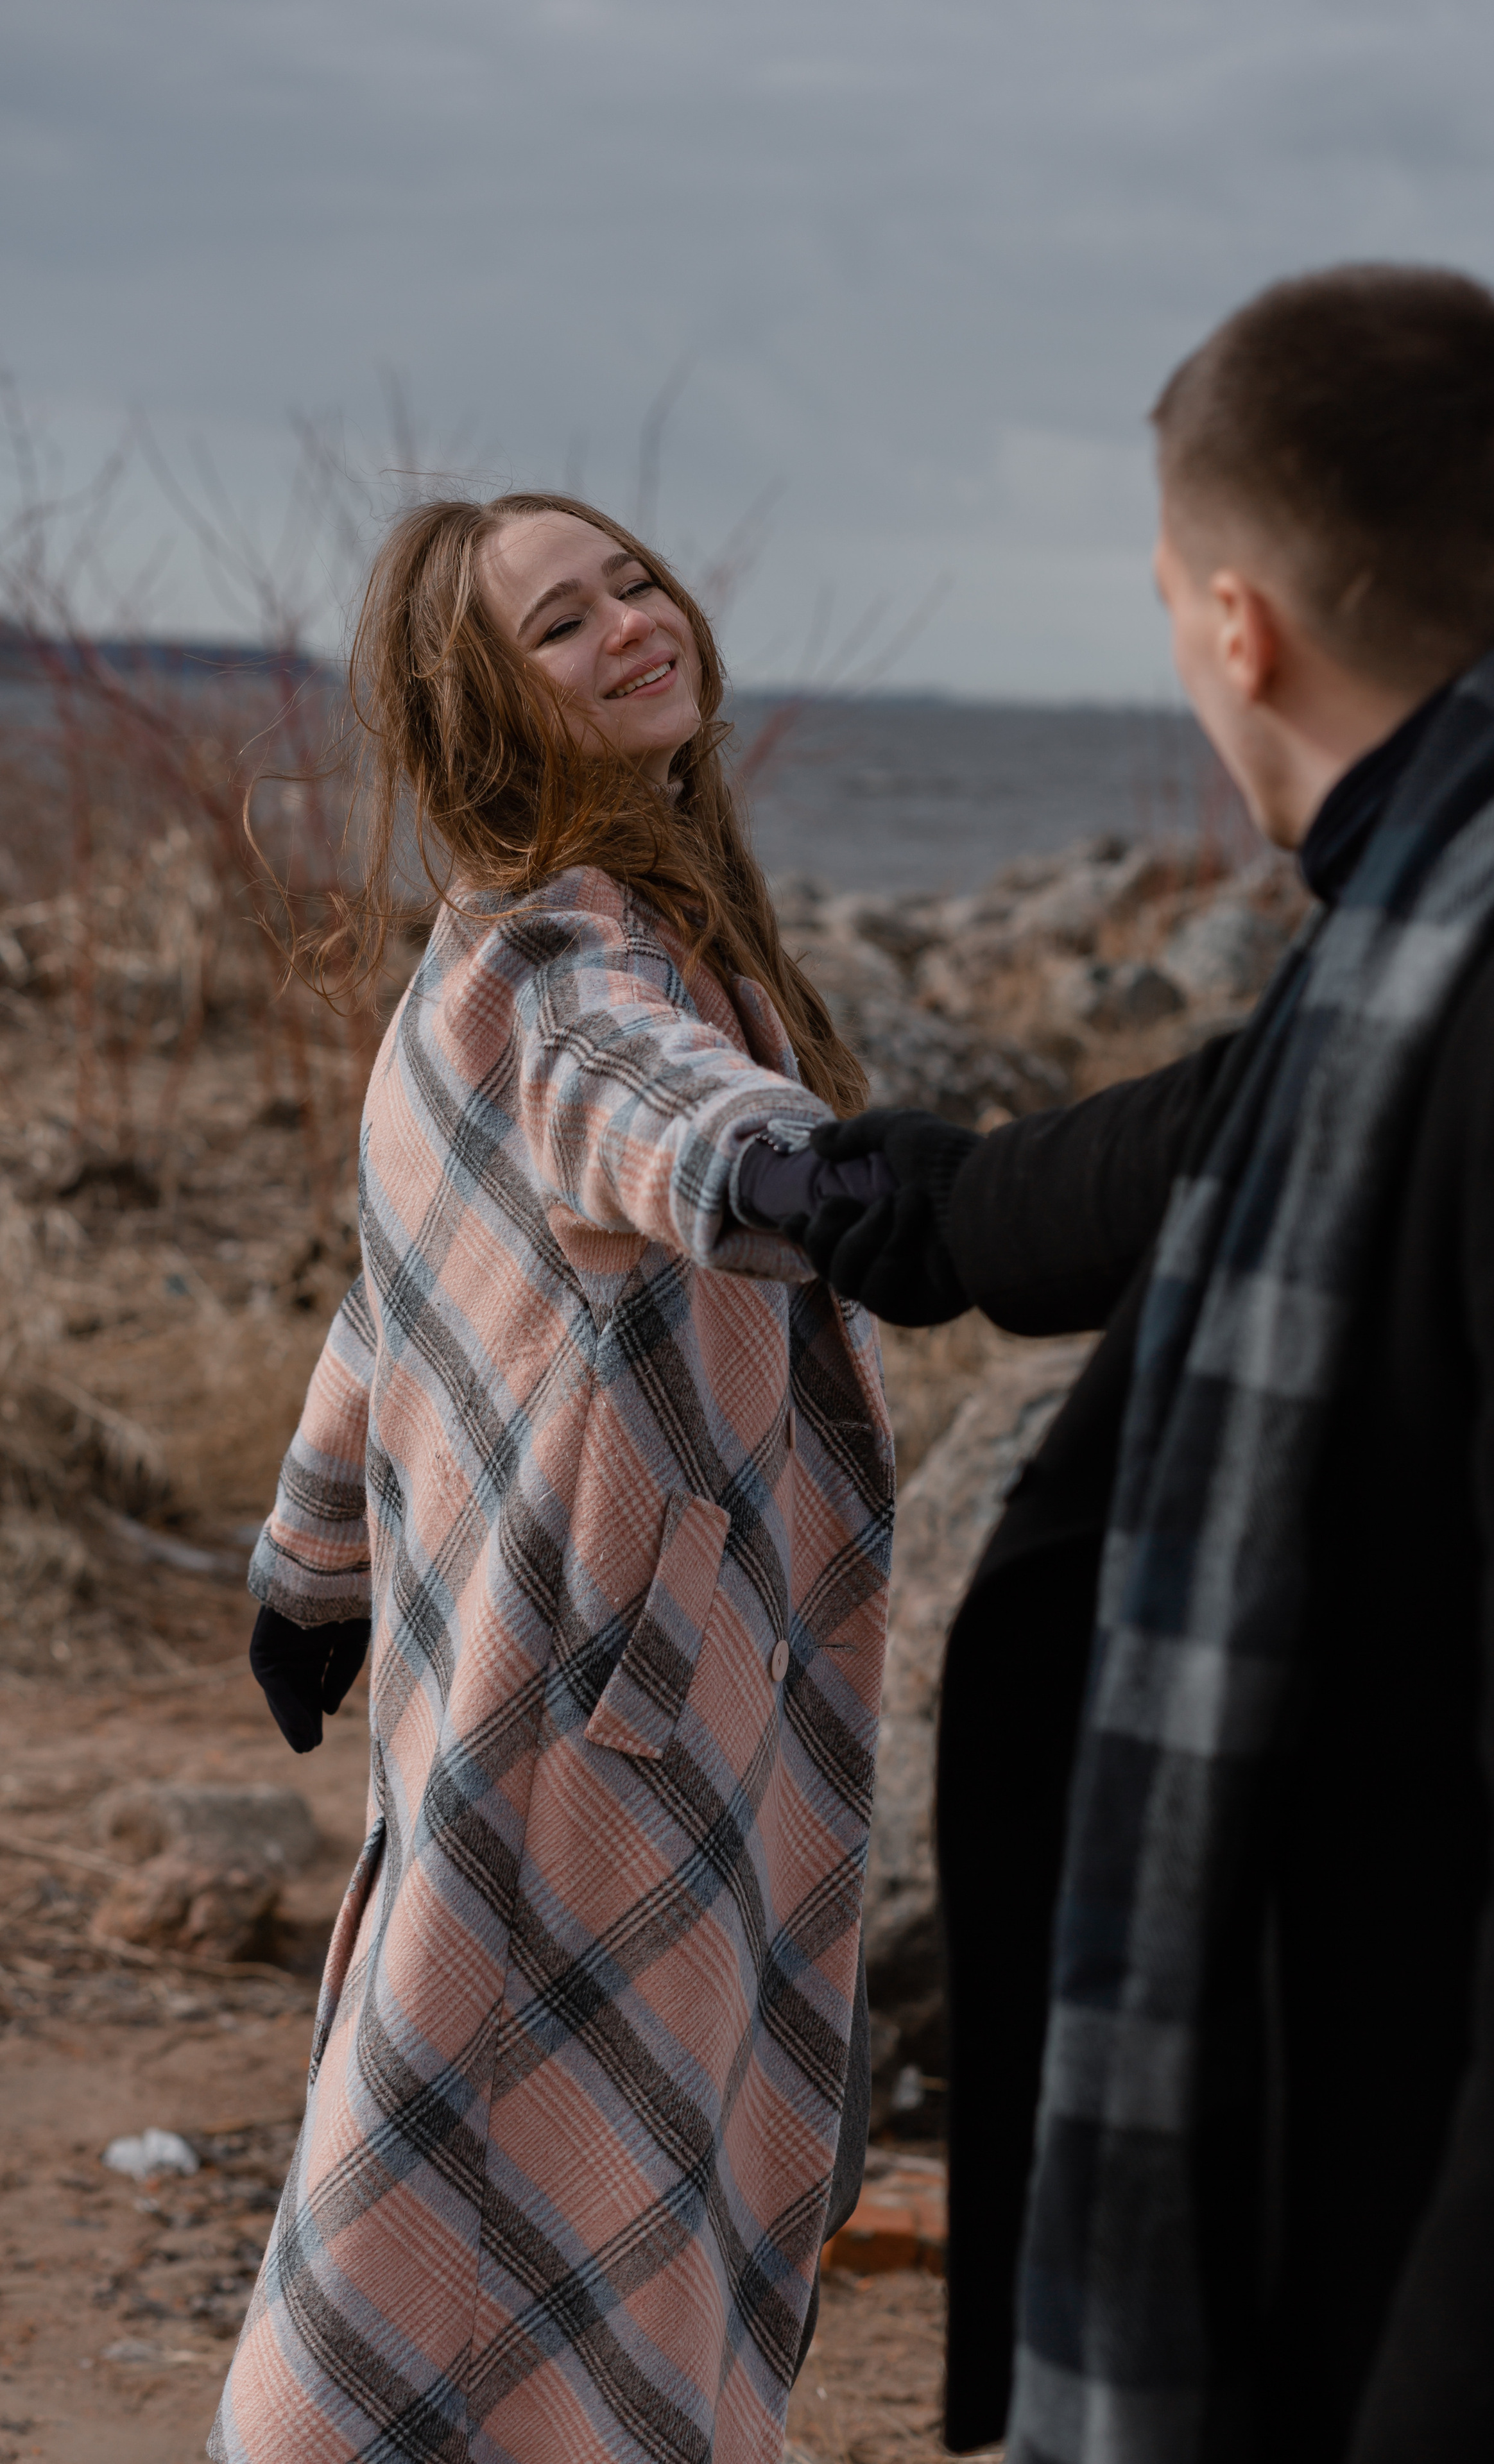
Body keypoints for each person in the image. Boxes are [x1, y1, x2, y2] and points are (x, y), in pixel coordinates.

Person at [797, 267, 1494, 2460]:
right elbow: (1215, 1118)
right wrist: (922, 1212)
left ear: (1236, 623)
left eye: (1176, 605)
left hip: (1463, 2279)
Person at [210, 493, 898, 2464]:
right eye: (559, 623)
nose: (628, 626)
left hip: (583, 1697)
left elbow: (391, 1301)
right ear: (482, 708)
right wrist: (812, 1181)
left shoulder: (583, 942)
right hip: (603, 1732)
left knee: (551, 2227)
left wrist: (309, 1559)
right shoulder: (552, 963)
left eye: (634, 583)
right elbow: (649, 1114)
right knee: (493, 2236)